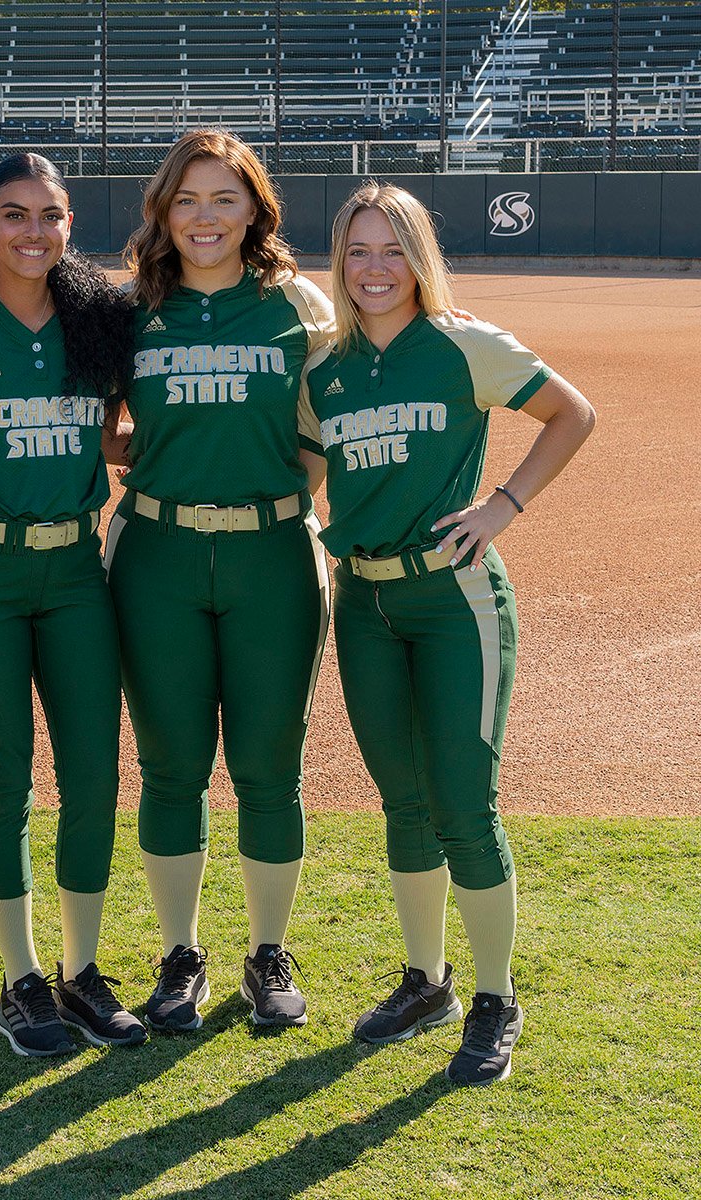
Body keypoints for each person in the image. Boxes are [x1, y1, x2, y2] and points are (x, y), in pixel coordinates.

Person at [298, 181, 595, 1085]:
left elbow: (570, 413)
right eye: (358, 250)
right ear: (339, 263)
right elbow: (306, 473)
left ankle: (498, 996)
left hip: (454, 598)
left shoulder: (463, 344)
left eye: (393, 249)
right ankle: (426, 981)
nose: (374, 268)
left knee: (464, 807)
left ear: (419, 258)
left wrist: (502, 505)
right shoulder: (323, 367)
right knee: (403, 805)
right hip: (366, 606)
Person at [105, 130, 333, 1031]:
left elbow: (336, 417)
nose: (206, 218)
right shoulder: (126, 311)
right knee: (170, 768)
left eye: (225, 199)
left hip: (272, 555)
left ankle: (268, 953)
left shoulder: (299, 306)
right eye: (187, 200)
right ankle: (179, 955)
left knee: (269, 766)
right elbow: (63, 419)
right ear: (163, 211)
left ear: (256, 211)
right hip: (155, 556)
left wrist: (276, 496)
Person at [0, 153, 145, 1055]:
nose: (34, 232)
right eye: (13, 215)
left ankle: (81, 971)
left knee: (94, 773)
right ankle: (20, 980)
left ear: (69, 222)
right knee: (4, 778)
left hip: (75, 573)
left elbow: (127, 430)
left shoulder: (100, 311)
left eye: (50, 215)